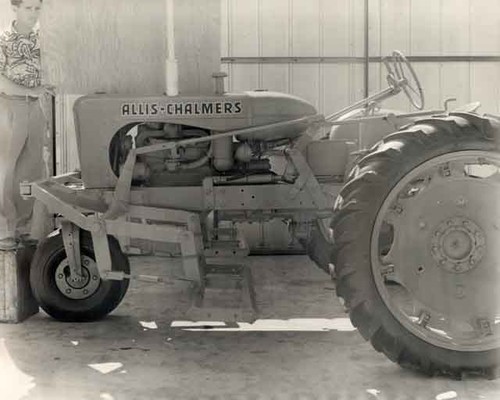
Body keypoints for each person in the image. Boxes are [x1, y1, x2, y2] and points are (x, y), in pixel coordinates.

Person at [0, 0, 52, 250]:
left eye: (36, 8)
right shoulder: (3, 39)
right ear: (15, 7)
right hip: (10, 105)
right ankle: (5, 230)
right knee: (6, 168)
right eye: (28, 8)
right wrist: (33, 89)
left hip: (35, 107)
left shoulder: (43, 38)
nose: (33, 13)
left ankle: (25, 227)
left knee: (32, 166)